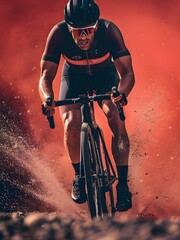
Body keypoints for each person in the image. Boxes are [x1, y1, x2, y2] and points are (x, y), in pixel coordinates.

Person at [38, 0, 135, 212]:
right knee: (71, 123)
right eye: (77, 32)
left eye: (88, 30)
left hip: (105, 77)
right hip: (73, 78)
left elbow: (127, 72)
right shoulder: (58, 33)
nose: (83, 37)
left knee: (115, 117)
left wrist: (121, 93)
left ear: (96, 27)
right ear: (69, 29)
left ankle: (124, 185)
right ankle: (79, 176)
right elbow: (45, 76)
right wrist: (47, 98)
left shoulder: (110, 31)